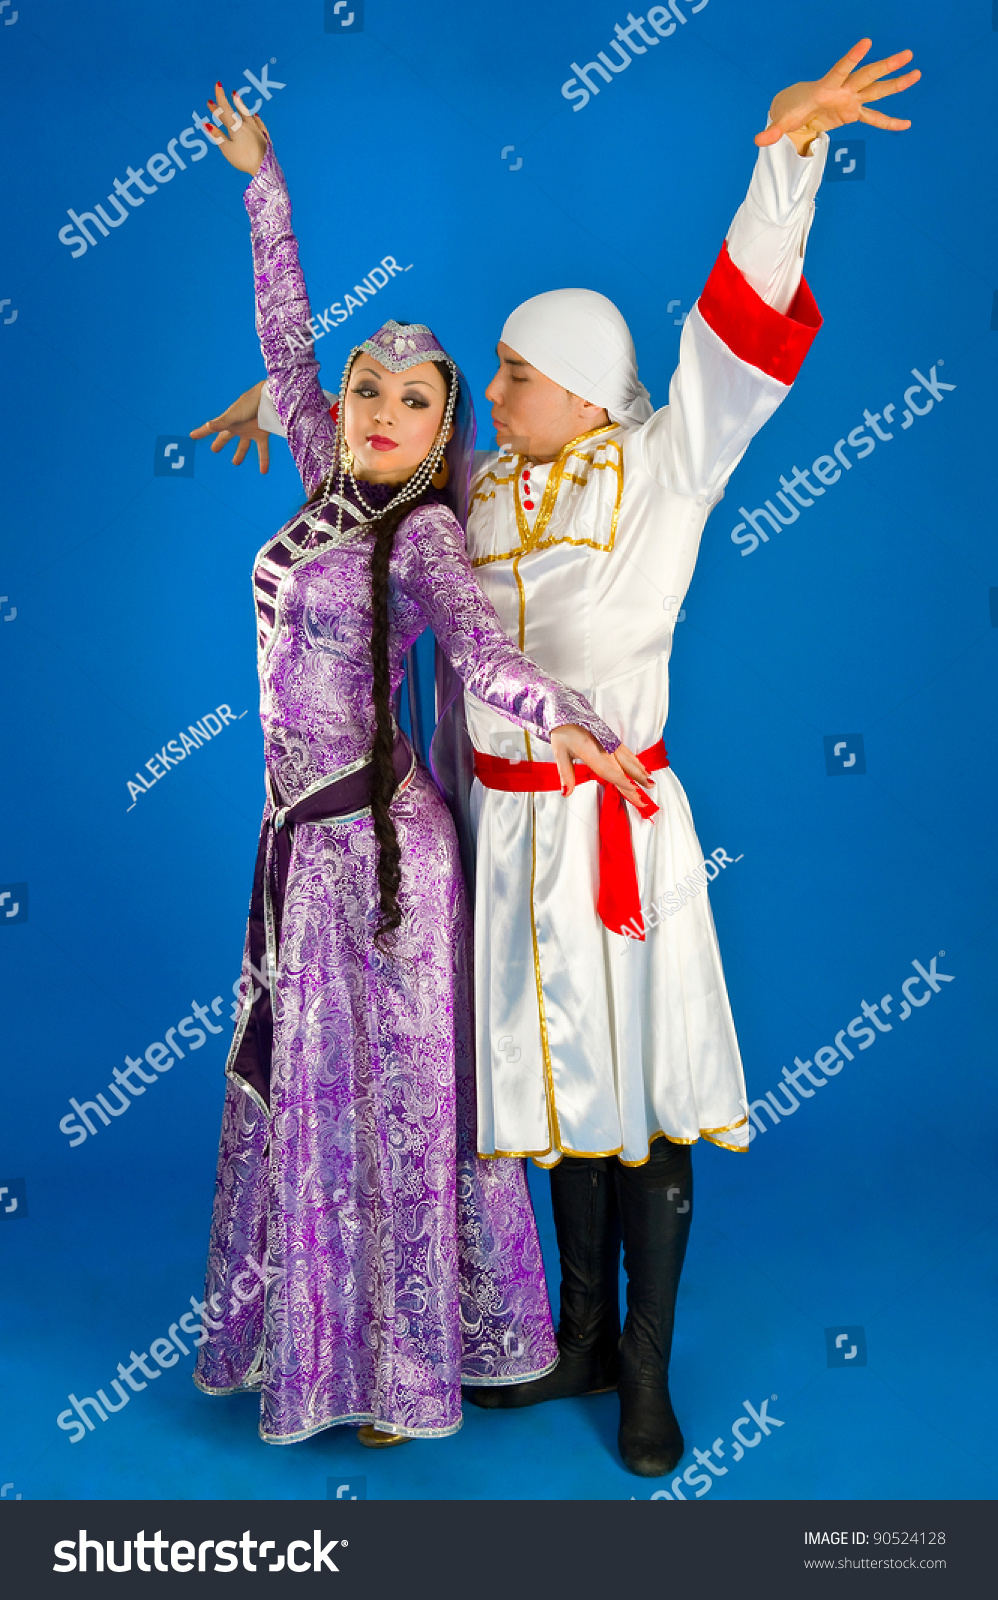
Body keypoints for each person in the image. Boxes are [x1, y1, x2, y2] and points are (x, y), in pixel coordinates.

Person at [195, 40, 920, 1475]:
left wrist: (784, 159)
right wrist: (278, 374)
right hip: (490, 832)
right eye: (500, 371)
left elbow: (735, 342)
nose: (495, 385)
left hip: (609, 832)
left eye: (516, 371)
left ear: (582, 387)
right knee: (545, 1107)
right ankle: (575, 1336)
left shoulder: (662, 467)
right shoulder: (484, 490)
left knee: (635, 1098)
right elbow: (348, 422)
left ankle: (643, 1373)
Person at [189, 86, 653, 1450]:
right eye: (369, 391)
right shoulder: (331, 474)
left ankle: (399, 1371)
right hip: (300, 843)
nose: (385, 410)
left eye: (419, 399)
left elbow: (482, 654)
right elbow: (285, 343)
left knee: (394, 1119)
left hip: (386, 865)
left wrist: (564, 714)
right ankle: (317, 1348)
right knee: (316, 1104)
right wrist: (263, 181)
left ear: (449, 428)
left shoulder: (427, 539)